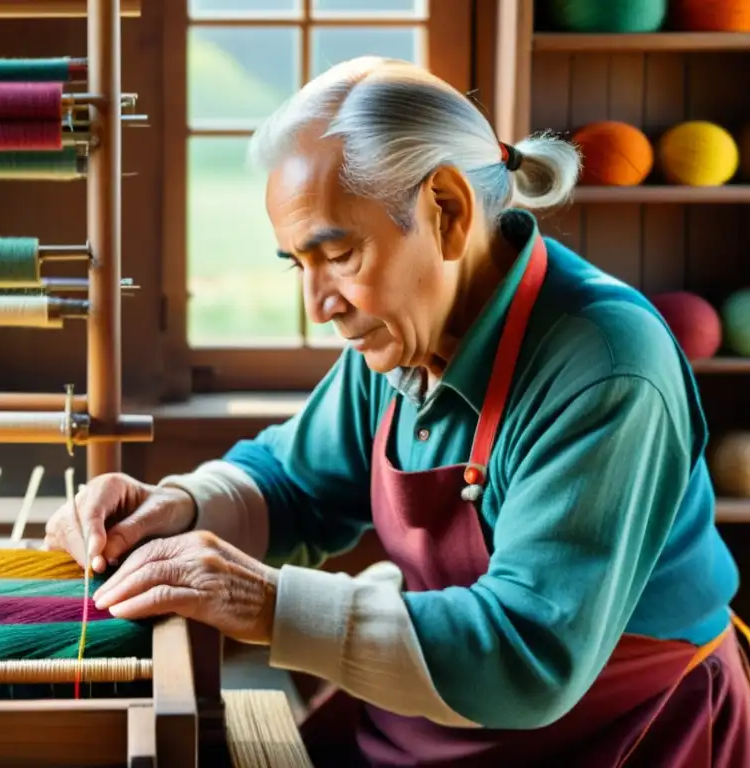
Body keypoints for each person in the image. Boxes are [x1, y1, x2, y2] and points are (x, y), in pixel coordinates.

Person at [45, 56, 750, 766]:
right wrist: (179, 507)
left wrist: (262, 603)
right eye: (299, 264)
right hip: (440, 716)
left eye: (340, 254)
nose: (318, 306)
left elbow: (527, 654)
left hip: (622, 728)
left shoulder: (605, 363)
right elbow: (297, 484)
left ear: (446, 210)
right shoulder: (399, 340)